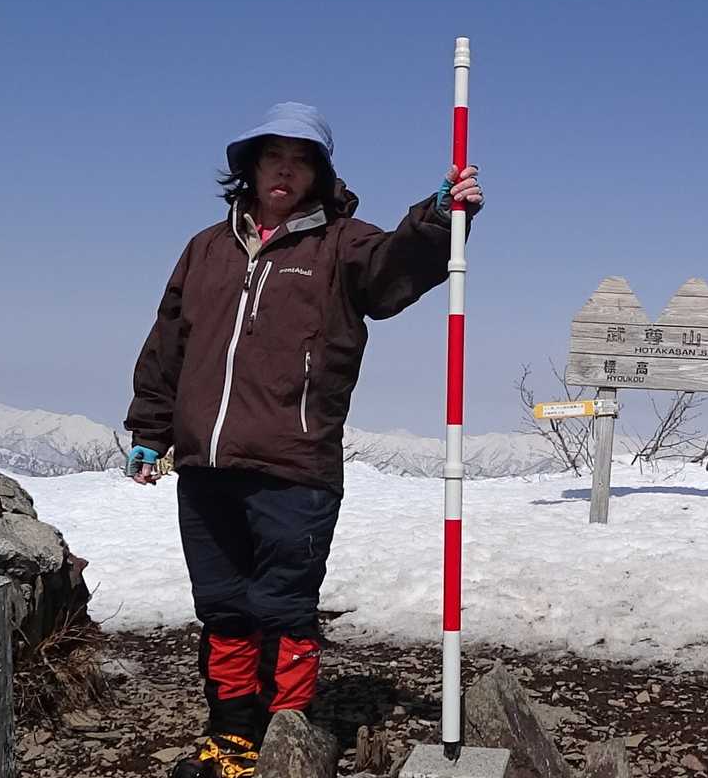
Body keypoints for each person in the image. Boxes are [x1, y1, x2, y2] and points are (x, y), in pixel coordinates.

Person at [125, 102, 482, 778]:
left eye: (300, 160)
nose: (284, 170)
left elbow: (392, 273)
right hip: (206, 465)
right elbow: (169, 342)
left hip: (295, 465)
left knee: (283, 607)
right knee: (224, 607)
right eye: (273, 158)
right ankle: (231, 738)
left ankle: (287, 739)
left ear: (318, 174)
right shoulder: (206, 248)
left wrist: (437, 219)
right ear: (250, 168)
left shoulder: (341, 244)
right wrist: (150, 428)